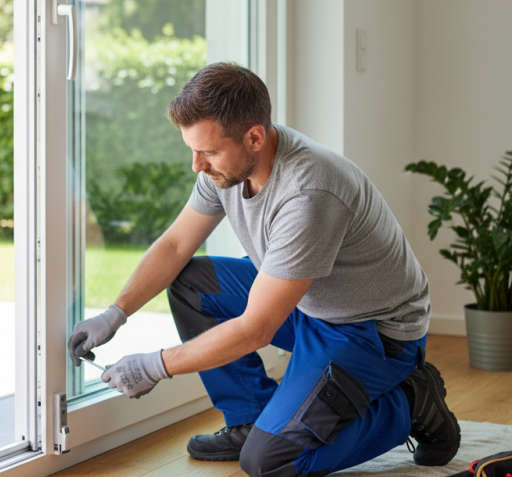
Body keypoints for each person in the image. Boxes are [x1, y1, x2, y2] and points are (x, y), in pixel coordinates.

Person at [67, 62, 461, 476]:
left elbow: (257, 329)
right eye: (193, 150)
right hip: (308, 300)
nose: (197, 165)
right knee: (190, 284)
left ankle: (410, 403)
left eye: (208, 152)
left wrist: (154, 366)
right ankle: (248, 418)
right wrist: (117, 312)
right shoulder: (227, 167)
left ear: (254, 136)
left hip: (371, 332)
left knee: (270, 463)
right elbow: (176, 245)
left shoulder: (308, 191)